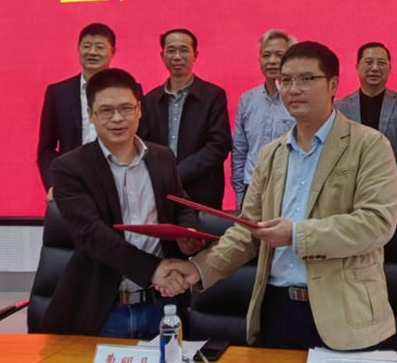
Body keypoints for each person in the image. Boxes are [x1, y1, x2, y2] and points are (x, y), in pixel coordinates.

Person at [160, 42, 397, 351]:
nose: (293, 89)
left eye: (306, 79)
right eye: (285, 80)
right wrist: (199, 268)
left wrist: (297, 235)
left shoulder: (369, 145)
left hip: (344, 314)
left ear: (333, 85)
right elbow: (248, 230)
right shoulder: (271, 154)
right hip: (277, 310)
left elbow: (376, 224)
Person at [42, 68, 204, 338]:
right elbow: (91, 234)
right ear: (91, 115)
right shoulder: (69, 168)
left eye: (126, 108)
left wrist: (187, 233)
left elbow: (180, 204)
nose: (117, 118)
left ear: (139, 110)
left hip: (160, 304)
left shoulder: (162, 157)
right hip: (102, 309)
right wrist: (152, 269)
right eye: (106, 111)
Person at [139, 28, 232, 209]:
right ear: (162, 56)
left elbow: (219, 146)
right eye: (171, 50)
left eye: (184, 50)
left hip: (202, 193)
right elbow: (143, 145)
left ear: (195, 55)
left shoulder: (213, 96)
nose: (177, 56)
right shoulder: (150, 100)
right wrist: (162, 177)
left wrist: (177, 174)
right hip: (161, 192)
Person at [336, 42, 397, 205]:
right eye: (369, 62)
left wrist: (391, 175)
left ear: (390, 69)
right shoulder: (341, 108)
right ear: (357, 67)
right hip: (352, 192)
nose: (375, 68)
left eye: (381, 63)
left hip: (395, 192)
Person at [37, 23, 118, 200]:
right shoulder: (58, 93)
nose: (92, 52)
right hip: (72, 185)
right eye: (86, 46)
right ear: (78, 49)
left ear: (113, 51)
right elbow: (46, 149)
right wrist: (54, 184)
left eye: (100, 47)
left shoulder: (128, 90)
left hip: (117, 184)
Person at [231, 29, 296, 209]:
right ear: (259, 61)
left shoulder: (299, 99)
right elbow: (240, 151)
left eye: (279, 55)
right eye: (266, 55)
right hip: (252, 187)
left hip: (288, 187)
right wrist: (240, 196)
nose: (272, 61)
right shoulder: (247, 100)